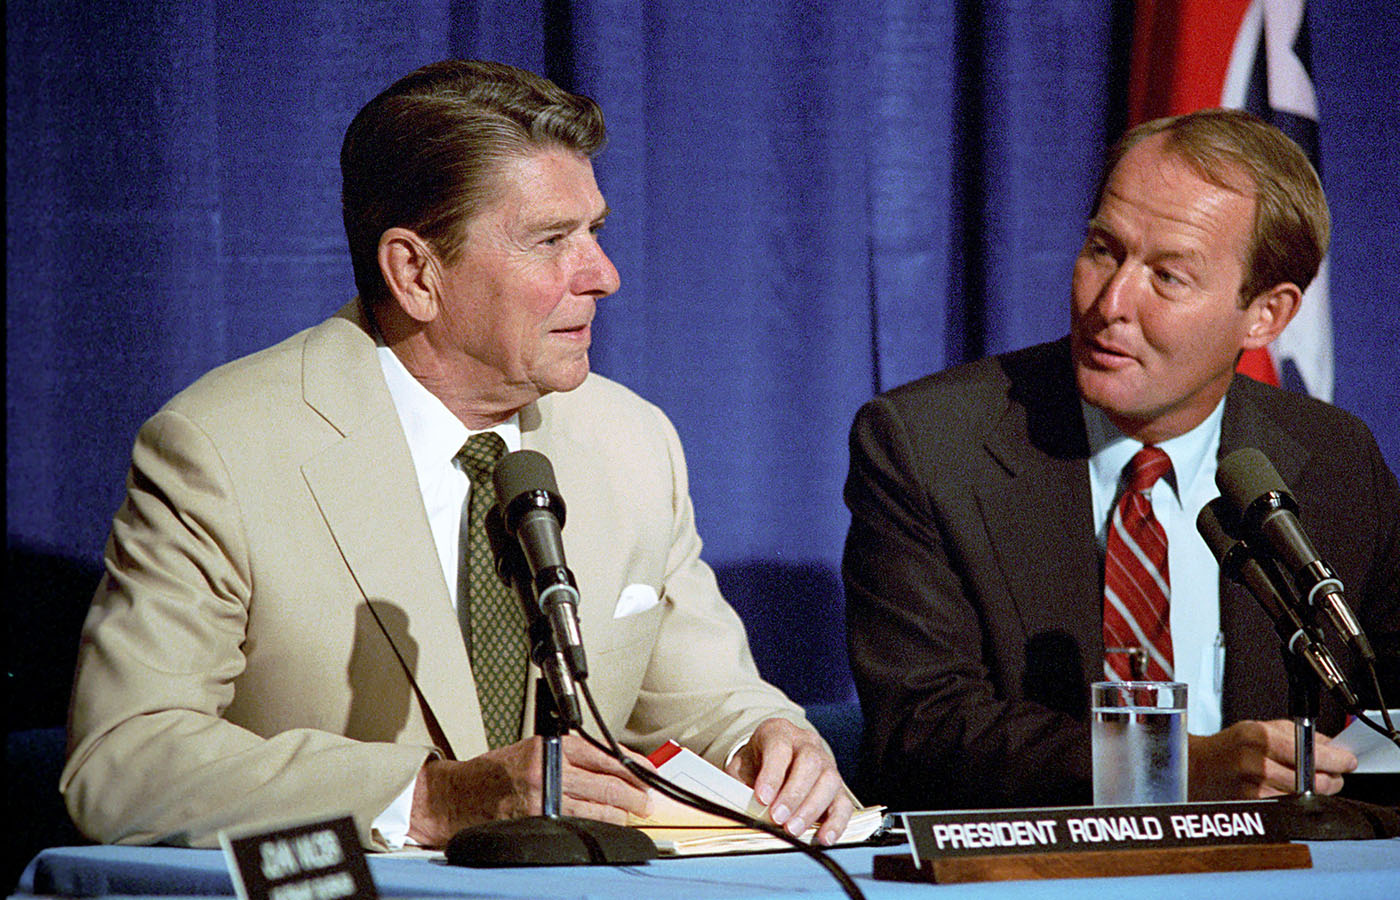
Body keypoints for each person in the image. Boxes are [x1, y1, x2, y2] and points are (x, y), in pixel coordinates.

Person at [62, 60, 852, 850]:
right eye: (550, 240)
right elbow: (123, 762)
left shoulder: (632, 442)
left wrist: (769, 742)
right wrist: (431, 799)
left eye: (595, 233)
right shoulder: (223, 450)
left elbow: (711, 701)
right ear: (415, 273)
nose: (603, 276)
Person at [843, 108, 1400, 811]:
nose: (1110, 303)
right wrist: (1173, 769)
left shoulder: (1335, 461)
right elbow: (921, 732)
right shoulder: (927, 445)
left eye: (1167, 277)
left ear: (1267, 315)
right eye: (1104, 249)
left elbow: (1388, 701)